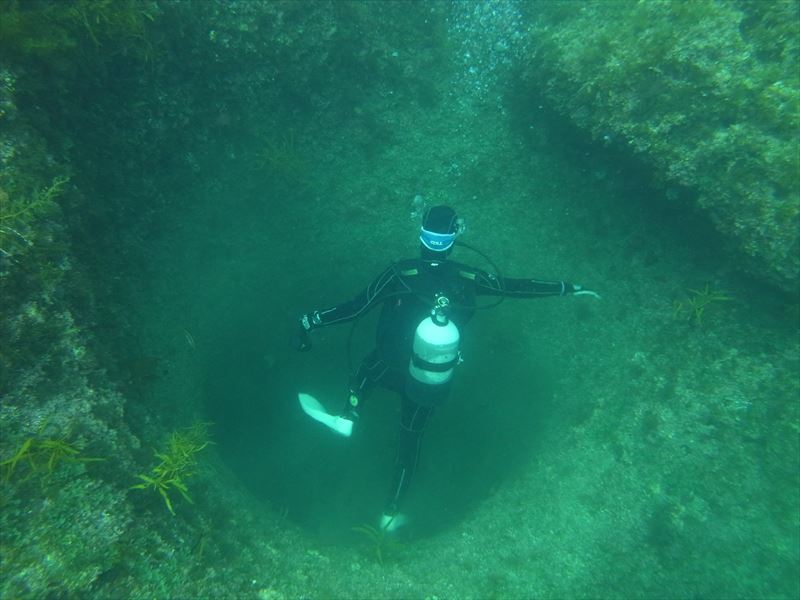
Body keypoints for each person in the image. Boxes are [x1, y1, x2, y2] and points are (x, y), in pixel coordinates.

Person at [294, 205, 598, 531]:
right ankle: (390, 512)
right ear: (454, 239)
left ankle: (347, 416)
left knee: (366, 371)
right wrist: (567, 287)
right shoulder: (467, 278)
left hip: (387, 362)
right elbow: (514, 287)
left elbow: (355, 308)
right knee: (410, 440)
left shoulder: (400, 273)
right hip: (427, 378)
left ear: (421, 236)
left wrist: (312, 321)